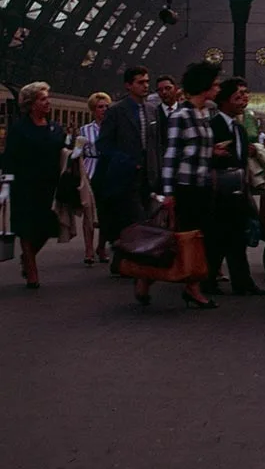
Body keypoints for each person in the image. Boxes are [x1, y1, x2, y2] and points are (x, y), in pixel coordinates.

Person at [149, 61, 228, 310]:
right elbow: (172, 155)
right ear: (204, 86)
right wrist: (169, 192)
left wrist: (212, 151)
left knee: (197, 238)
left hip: (203, 185)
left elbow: (196, 149)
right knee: (184, 238)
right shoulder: (180, 116)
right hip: (186, 187)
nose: (217, 89)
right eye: (214, 85)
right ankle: (187, 287)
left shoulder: (205, 114)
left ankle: (170, 281)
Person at [1, 82, 67, 288]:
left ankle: (27, 259)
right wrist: (6, 183)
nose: (48, 102)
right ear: (31, 104)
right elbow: (9, 157)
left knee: (47, 227)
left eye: (47, 98)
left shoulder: (55, 128)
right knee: (27, 228)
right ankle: (32, 270)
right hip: (25, 186)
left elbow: (62, 151)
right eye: (43, 99)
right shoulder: (20, 130)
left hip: (49, 186)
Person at [95, 66, 157, 273]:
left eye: (147, 81)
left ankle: (121, 262)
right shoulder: (116, 111)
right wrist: (127, 161)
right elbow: (103, 144)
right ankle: (137, 266)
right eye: (141, 82)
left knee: (141, 219)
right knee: (134, 218)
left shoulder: (152, 111)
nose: (146, 86)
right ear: (128, 85)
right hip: (125, 173)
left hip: (148, 174)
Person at [207, 77, 264, 296]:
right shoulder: (214, 126)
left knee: (236, 239)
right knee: (218, 239)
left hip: (238, 191)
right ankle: (209, 280)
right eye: (238, 95)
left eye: (246, 93)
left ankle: (242, 282)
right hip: (219, 193)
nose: (244, 99)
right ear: (224, 101)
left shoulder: (239, 129)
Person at [60, 91, 109, 265]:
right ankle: (88, 249)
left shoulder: (113, 126)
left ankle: (101, 247)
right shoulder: (85, 130)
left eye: (106, 106)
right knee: (89, 213)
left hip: (108, 170)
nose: (103, 110)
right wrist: (76, 148)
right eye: (99, 107)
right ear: (93, 110)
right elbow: (77, 153)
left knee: (105, 213)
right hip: (89, 171)